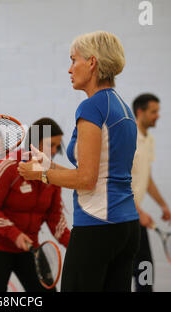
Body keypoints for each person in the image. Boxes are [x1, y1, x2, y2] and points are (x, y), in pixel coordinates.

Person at [18, 31, 140, 292]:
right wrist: (48, 167)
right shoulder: (123, 107)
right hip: (126, 227)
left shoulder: (92, 107)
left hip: (97, 228)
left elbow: (86, 179)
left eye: (74, 60)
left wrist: (40, 175)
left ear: (92, 63)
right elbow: (100, 172)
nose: (70, 69)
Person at [0, 117, 70, 292]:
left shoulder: (52, 174)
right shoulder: (8, 166)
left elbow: (55, 217)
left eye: (58, 146)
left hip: (30, 247)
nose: (55, 150)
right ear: (35, 143)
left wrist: (73, 245)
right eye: (51, 145)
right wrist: (15, 235)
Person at [131, 93, 171, 292]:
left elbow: (147, 179)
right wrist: (138, 212)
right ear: (140, 112)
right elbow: (117, 182)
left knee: (145, 271)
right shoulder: (129, 139)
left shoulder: (149, 140)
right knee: (131, 271)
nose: (158, 116)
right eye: (154, 111)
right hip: (122, 218)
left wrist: (162, 204)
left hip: (135, 217)